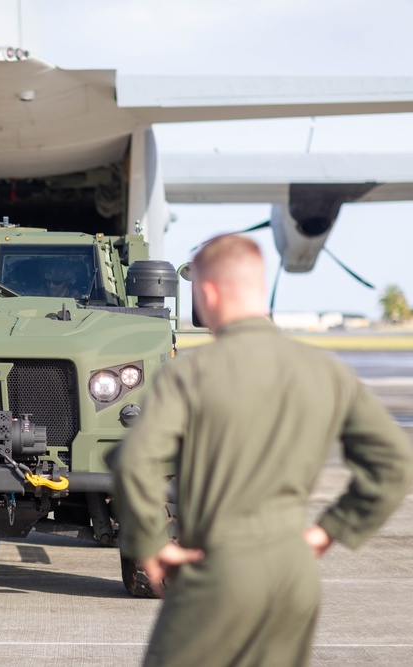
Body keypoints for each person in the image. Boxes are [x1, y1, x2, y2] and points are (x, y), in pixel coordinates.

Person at [111, 234, 413, 667]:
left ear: (209, 292)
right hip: (294, 573)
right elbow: (395, 464)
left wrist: (154, 543)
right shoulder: (325, 371)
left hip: (216, 569)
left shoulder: (191, 374)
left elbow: (134, 462)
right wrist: (329, 530)